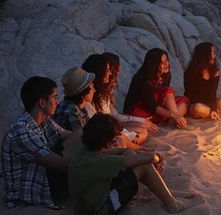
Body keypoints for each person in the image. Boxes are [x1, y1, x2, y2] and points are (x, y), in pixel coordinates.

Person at [68, 113, 192, 214]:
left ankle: (168, 198)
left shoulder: (82, 152)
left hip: (84, 204)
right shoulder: (100, 162)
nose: (115, 142)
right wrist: (156, 157)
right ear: (107, 142)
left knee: (130, 154)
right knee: (144, 164)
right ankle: (172, 203)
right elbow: (139, 160)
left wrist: (126, 150)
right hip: (102, 209)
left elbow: (114, 153)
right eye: (113, 140)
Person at [1, 77, 77, 209]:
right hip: (29, 195)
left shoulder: (45, 120)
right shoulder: (22, 131)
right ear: (42, 102)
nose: (57, 102)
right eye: (54, 97)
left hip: (47, 177)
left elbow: (70, 136)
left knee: (83, 137)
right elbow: (62, 165)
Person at [81, 54, 150, 144]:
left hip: (110, 127)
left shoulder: (102, 92)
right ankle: (132, 142)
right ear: (99, 72)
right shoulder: (88, 97)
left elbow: (115, 116)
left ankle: (132, 141)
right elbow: (96, 127)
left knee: (143, 128)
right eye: (107, 70)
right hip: (104, 133)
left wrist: (141, 120)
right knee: (138, 131)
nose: (109, 73)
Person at [123, 48, 191, 129]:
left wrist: (170, 112)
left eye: (166, 60)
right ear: (153, 64)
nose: (166, 64)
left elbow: (164, 99)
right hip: (138, 110)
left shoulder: (166, 74)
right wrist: (173, 114)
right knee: (167, 90)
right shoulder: (142, 78)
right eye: (162, 63)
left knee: (185, 100)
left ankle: (174, 120)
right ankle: (176, 119)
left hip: (155, 108)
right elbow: (152, 105)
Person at [101, 52, 158, 133]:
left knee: (143, 126)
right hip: (106, 128)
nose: (120, 70)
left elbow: (116, 116)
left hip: (113, 123)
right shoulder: (99, 94)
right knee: (142, 129)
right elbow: (110, 119)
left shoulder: (106, 91)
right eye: (118, 67)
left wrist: (141, 120)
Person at [53, 67, 96, 131]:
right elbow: (82, 138)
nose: (94, 90)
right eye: (92, 87)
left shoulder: (78, 107)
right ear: (84, 92)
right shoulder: (72, 113)